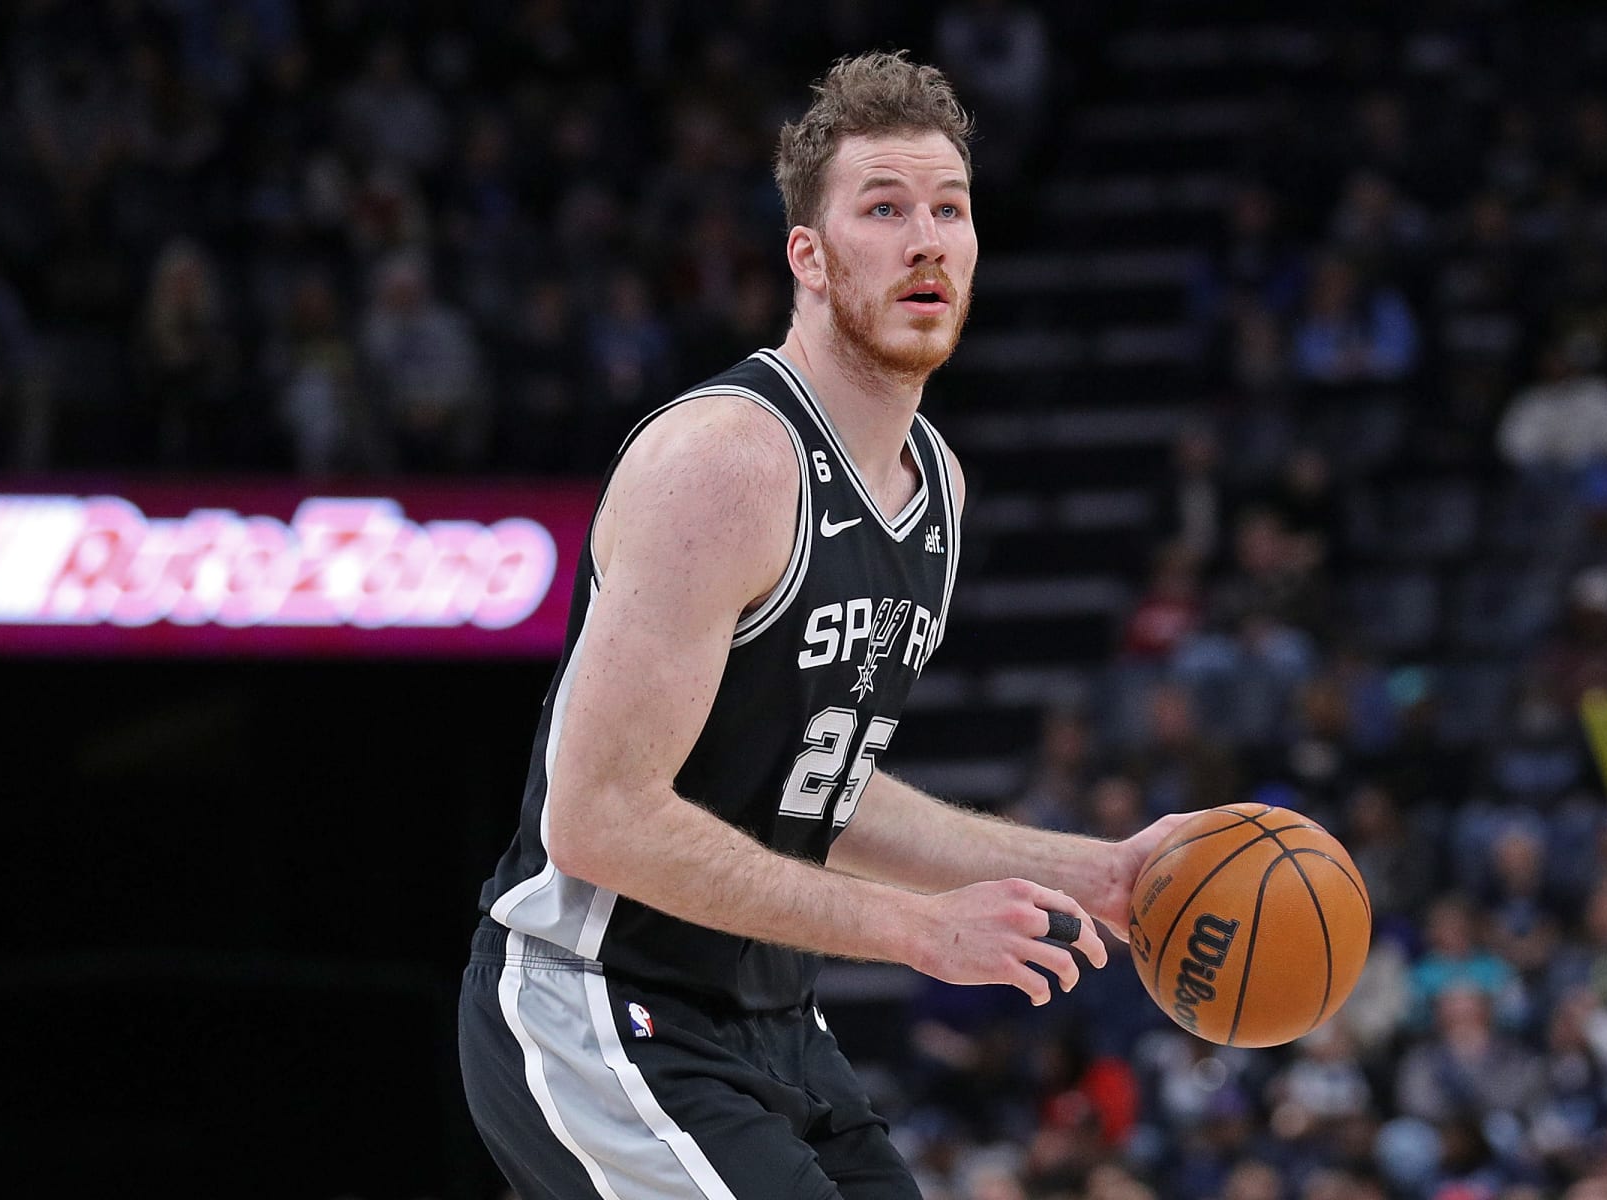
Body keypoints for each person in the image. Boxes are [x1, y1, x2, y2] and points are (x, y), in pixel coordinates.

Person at [457, 52, 1192, 1200]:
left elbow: (818, 792)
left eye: (950, 209)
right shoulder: (723, 465)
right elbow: (594, 820)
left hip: (772, 1021)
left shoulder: (935, 488)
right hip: (597, 997)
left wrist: (1093, 871)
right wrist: (916, 932)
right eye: (885, 209)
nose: (927, 239)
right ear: (808, 254)